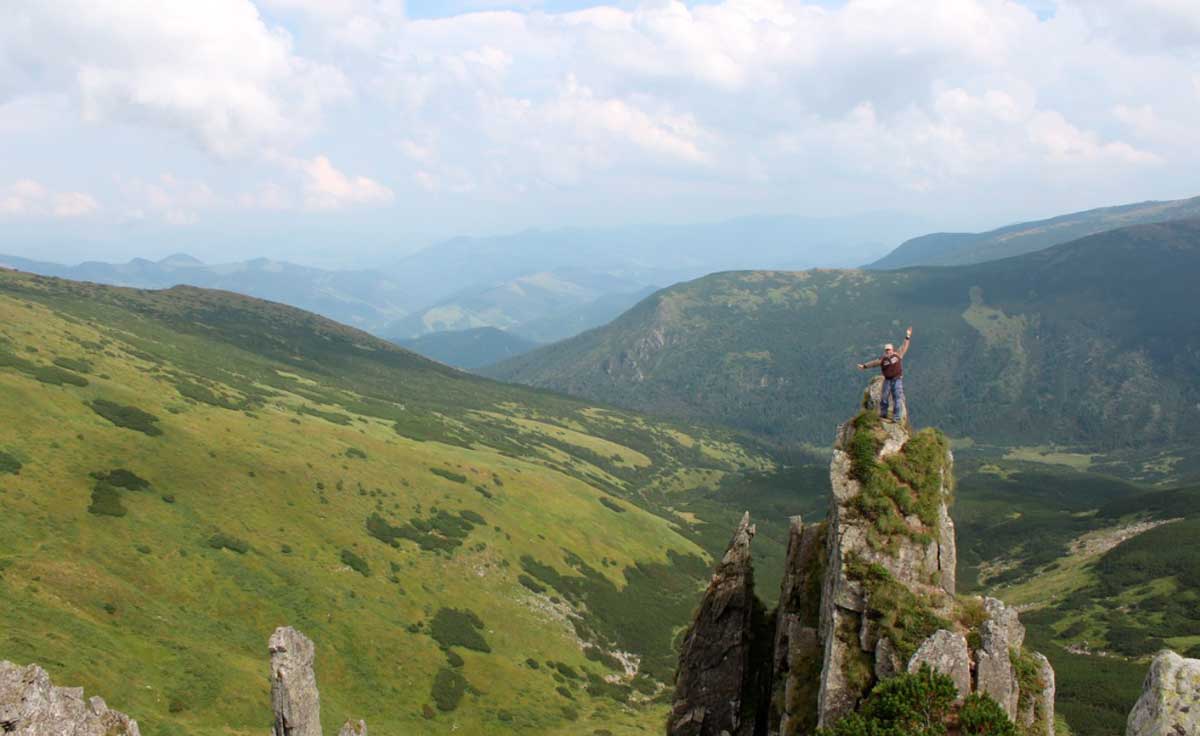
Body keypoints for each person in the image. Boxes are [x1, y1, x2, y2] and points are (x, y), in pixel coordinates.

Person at [856, 326, 913, 422]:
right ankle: (883, 414)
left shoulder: (898, 354)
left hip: (897, 379)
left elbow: (904, 346)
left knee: (897, 398)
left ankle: (896, 417)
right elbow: (874, 363)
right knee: (884, 398)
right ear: (885, 351)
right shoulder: (883, 359)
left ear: (892, 349)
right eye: (886, 350)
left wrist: (907, 336)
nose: (888, 351)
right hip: (887, 380)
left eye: (889, 349)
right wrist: (864, 366)